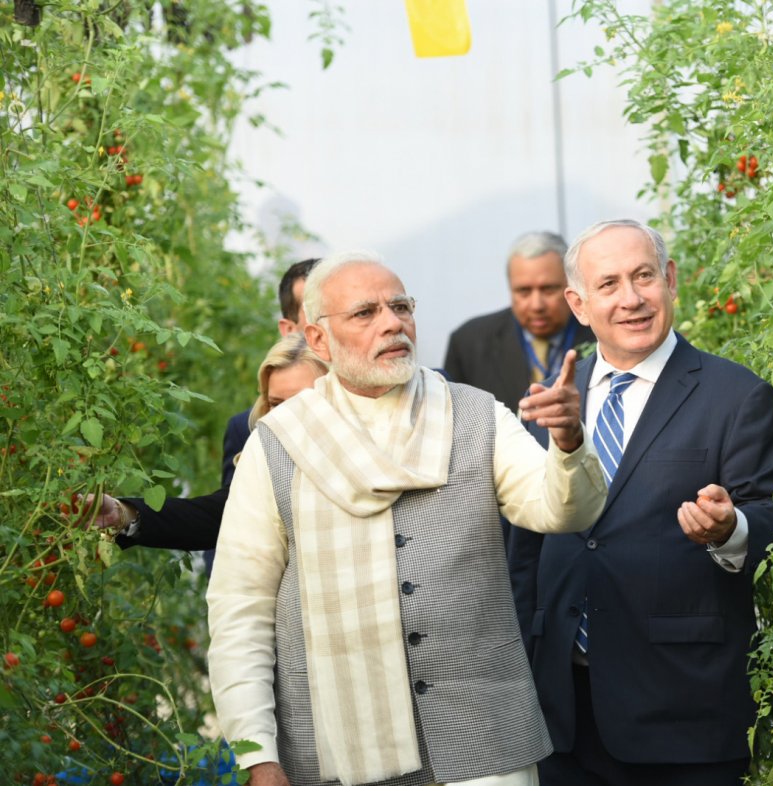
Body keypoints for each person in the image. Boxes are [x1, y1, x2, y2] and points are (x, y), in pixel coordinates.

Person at [206, 249, 607, 786]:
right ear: (318, 339)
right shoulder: (279, 443)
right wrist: (258, 755)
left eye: (400, 306)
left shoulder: (473, 411)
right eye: (365, 313)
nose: (392, 322)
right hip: (332, 748)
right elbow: (240, 610)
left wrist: (569, 441)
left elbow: (561, 509)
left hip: (483, 734)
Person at [507, 220, 773, 786]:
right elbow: (524, 552)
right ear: (579, 304)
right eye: (608, 284)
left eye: (643, 277)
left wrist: (730, 527)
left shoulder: (736, 396)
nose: (631, 299)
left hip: (682, 712)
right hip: (561, 713)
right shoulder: (553, 402)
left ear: (670, 280)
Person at [94, 335, 328, 550]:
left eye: (300, 403)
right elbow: (216, 517)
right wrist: (122, 514)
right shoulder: (262, 459)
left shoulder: (361, 461)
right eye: (276, 403)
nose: (284, 416)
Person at [443, 232, 595, 412]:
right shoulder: (468, 343)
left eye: (548, 289)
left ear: (570, 287)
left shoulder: (600, 334)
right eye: (523, 291)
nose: (536, 305)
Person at [221, 258, 320, 486]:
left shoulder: (379, 409)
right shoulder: (245, 429)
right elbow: (225, 511)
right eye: (316, 318)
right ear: (288, 329)